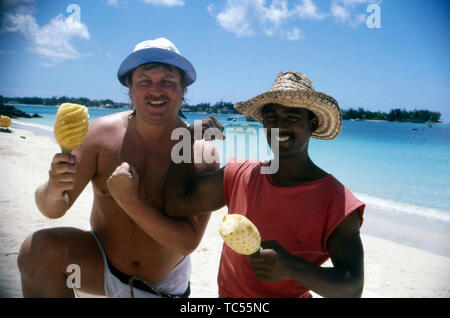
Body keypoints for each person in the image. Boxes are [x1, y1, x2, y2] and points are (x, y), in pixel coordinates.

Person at [17, 38, 219, 298]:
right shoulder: (99, 135)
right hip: (100, 268)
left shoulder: (200, 152)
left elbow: (187, 242)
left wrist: (130, 201)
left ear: (183, 90)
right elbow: (52, 209)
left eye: (168, 81)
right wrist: (54, 187)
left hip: (162, 287)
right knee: (37, 251)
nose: (156, 90)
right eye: (144, 80)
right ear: (130, 89)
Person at [163, 71, 366, 298]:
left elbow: (353, 287)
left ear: (313, 123)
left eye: (292, 117)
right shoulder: (239, 175)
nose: (279, 126)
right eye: (272, 117)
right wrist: (188, 137)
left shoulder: (336, 200)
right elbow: (175, 204)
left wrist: (290, 267)